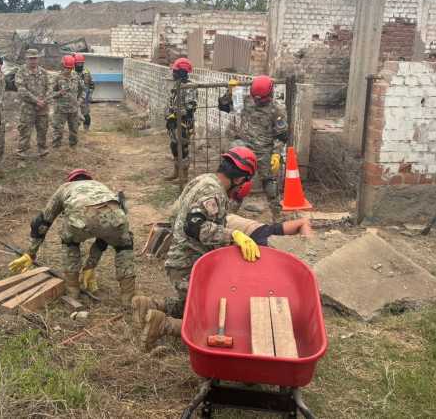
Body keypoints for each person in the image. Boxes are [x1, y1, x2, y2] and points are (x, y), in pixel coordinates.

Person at [132, 147, 312, 352]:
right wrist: (232, 235)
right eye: (243, 183)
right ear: (240, 179)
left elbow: (176, 214)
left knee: (194, 303)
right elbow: (193, 226)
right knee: (213, 314)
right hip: (188, 265)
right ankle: (164, 325)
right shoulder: (214, 192)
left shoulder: (203, 180)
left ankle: (151, 305)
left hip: (181, 259)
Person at [8, 169, 136, 304]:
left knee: (70, 242)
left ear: (71, 180)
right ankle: (128, 298)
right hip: (117, 219)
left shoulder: (65, 187)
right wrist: (91, 265)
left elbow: (42, 221)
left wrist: (31, 253)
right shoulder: (100, 186)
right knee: (124, 246)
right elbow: (105, 233)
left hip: (81, 221)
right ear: (88, 178)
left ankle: (73, 292)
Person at [223, 75, 287, 213]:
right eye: (256, 99)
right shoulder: (246, 101)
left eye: (261, 99)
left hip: (265, 151)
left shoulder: (277, 109)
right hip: (244, 148)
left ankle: (277, 215)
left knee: (270, 184)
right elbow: (224, 106)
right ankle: (229, 214)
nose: (258, 102)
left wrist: (276, 154)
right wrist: (230, 92)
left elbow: (281, 135)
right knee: (239, 183)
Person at [165, 57, 197, 182]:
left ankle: (184, 175)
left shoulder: (189, 87)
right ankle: (176, 172)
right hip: (174, 122)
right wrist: (169, 116)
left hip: (184, 122)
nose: (173, 73)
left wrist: (177, 115)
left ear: (182, 72)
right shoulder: (177, 85)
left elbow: (190, 108)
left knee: (183, 148)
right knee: (174, 146)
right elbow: (172, 103)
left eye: (175, 71)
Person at [16, 48, 50, 160]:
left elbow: (50, 87)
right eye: (30, 58)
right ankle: (21, 154)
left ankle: (42, 151)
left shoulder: (43, 72)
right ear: (26, 59)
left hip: (43, 108)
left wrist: (44, 100)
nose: (33, 61)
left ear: (38, 59)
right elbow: (21, 89)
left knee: (43, 130)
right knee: (25, 131)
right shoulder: (21, 72)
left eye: (35, 58)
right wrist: (36, 101)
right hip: (28, 109)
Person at [51, 55, 85, 148]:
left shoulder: (76, 77)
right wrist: (59, 93)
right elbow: (50, 93)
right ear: (62, 66)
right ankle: (56, 147)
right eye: (66, 68)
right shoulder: (57, 78)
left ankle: (73, 147)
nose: (68, 70)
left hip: (73, 109)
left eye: (70, 68)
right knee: (58, 130)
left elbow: (83, 90)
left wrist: (79, 101)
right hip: (60, 110)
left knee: (74, 130)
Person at [74, 53, 95, 130]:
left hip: (85, 97)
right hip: (74, 97)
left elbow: (92, 84)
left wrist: (90, 94)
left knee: (86, 114)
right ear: (74, 63)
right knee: (74, 115)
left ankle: (86, 130)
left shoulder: (86, 72)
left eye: (81, 63)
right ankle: (75, 130)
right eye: (78, 63)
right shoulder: (71, 72)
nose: (80, 65)